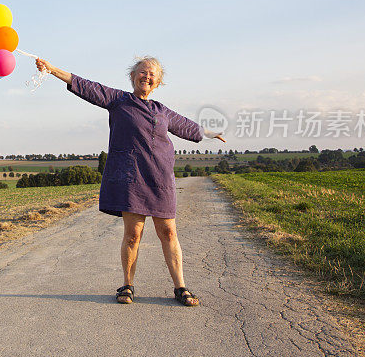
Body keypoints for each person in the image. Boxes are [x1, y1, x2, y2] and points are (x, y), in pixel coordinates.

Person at [35, 56, 225, 306]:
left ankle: (180, 287)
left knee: (168, 232)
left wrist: (210, 133)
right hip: (131, 179)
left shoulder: (162, 110)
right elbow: (86, 86)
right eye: (143, 72)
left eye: (152, 74)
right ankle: (127, 285)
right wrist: (52, 70)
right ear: (133, 76)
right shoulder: (118, 100)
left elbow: (186, 126)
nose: (147, 76)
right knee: (133, 234)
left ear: (158, 82)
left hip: (160, 179)